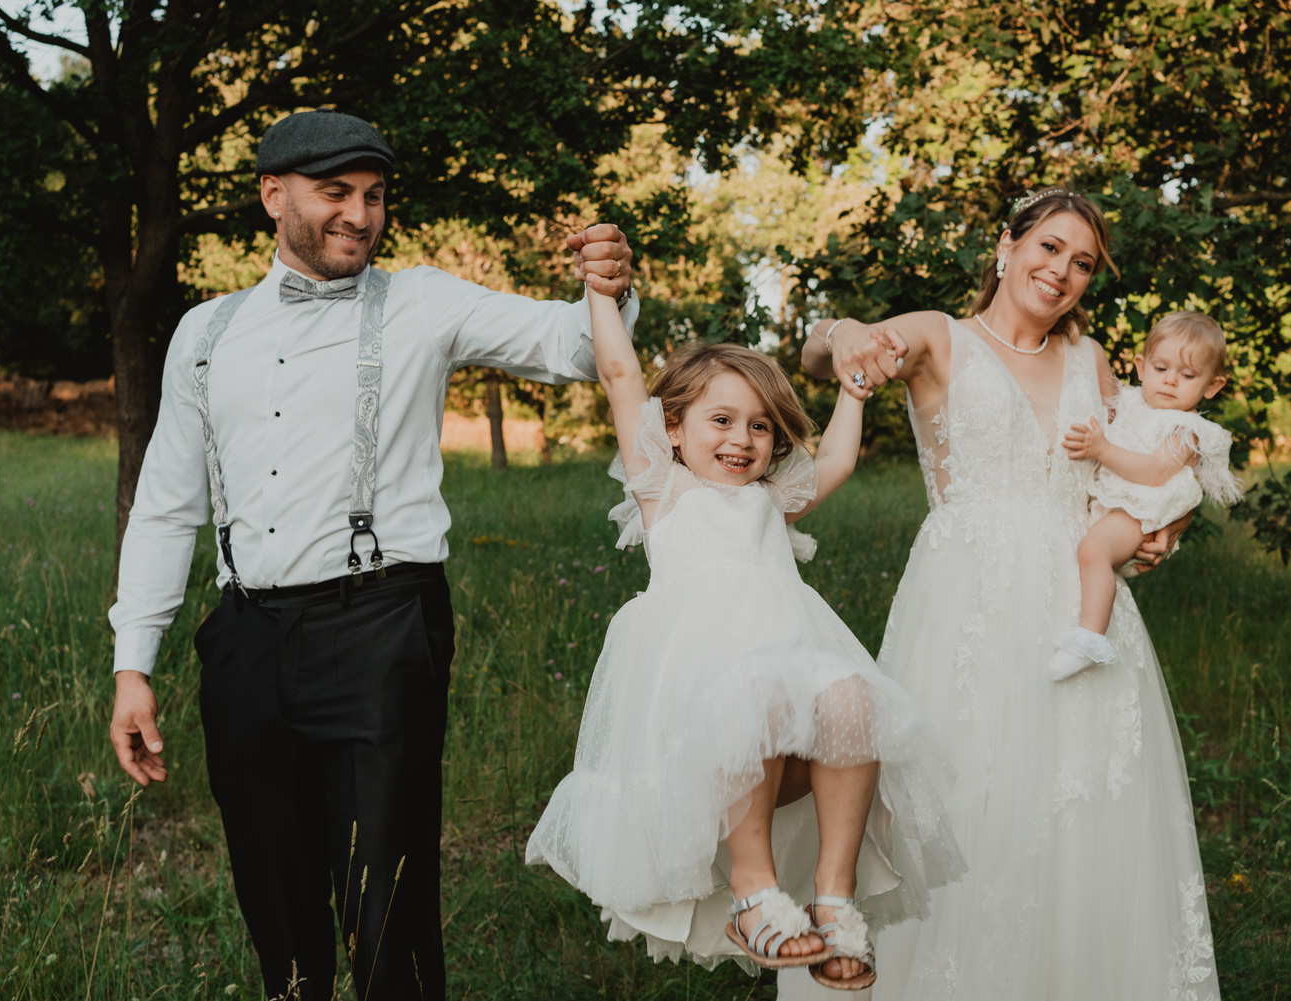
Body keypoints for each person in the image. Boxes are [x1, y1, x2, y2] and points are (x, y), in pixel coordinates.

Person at [105, 109, 638, 1001]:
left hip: (382, 628)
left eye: (375, 196)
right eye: (336, 194)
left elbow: (578, 348)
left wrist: (610, 288)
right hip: (244, 641)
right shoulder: (202, 334)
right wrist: (134, 665)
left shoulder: (425, 301)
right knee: (273, 897)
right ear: (274, 195)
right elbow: (165, 507)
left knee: (386, 901)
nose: (360, 214)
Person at [780, 188, 1221, 1000]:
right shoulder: (942, 339)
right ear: (1007, 247)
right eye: (1049, 247)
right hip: (968, 598)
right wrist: (846, 335)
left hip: (1081, 607)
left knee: (1082, 806)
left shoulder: (1091, 361)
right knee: (961, 799)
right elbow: (816, 351)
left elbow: (1152, 454)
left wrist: (1167, 530)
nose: (1061, 271)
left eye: (1082, 262)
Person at [525, 286, 963, 990]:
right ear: (671, 428)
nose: (742, 439)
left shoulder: (770, 501)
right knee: (750, 696)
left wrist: (853, 390)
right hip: (700, 702)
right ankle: (753, 892)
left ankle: (834, 898)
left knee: (856, 698)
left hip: (783, 688)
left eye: (761, 427)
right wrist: (602, 296)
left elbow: (838, 464)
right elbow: (619, 375)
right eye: (721, 420)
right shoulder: (662, 490)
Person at [1050, 311, 1243, 681]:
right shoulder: (1132, 402)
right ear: (1141, 366)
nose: (1170, 381)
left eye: (1187, 376)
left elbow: (1155, 471)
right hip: (1113, 504)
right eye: (1160, 368)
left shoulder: (1186, 429)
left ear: (1213, 386)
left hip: (1139, 511)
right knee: (1088, 549)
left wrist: (1101, 449)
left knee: (1094, 550)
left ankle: (1089, 638)